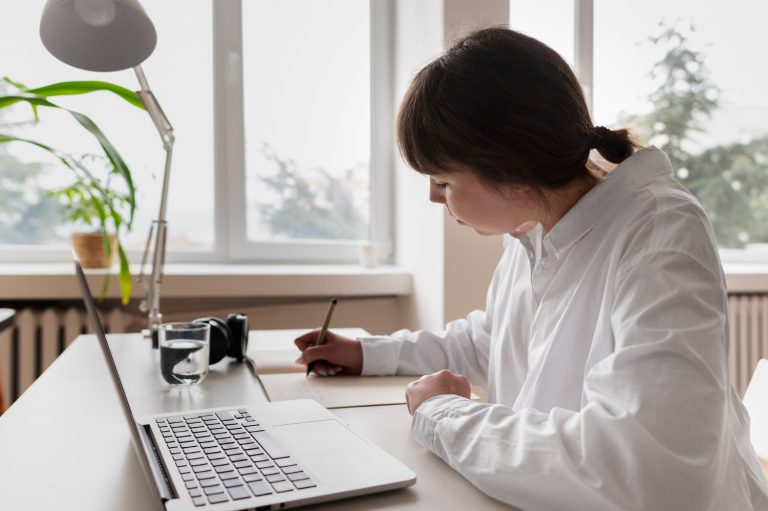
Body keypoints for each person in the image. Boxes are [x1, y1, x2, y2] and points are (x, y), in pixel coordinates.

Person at [294, 27, 768, 510]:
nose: (434, 197)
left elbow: (639, 464)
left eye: (443, 180)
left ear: (509, 167)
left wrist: (440, 413)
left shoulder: (659, 232)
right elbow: (492, 340)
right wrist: (369, 353)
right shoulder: (535, 227)